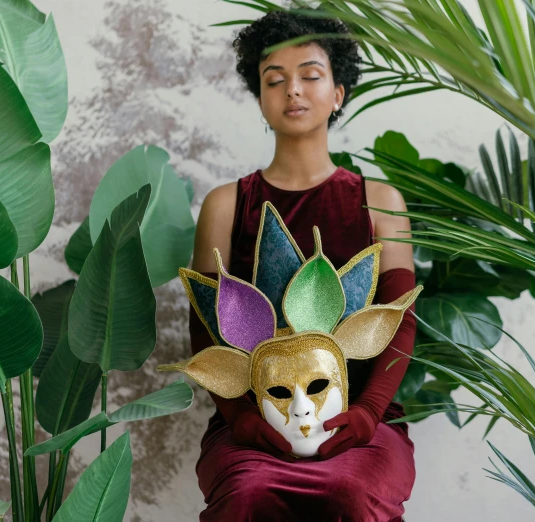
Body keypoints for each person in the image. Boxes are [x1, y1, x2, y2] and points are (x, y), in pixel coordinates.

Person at [187, 6, 418, 521]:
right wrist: (241, 419)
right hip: (252, 427)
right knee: (246, 496)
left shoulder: (380, 199)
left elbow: (401, 319)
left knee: (352, 496)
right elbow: (205, 332)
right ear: (261, 99)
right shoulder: (226, 204)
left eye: (310, 76)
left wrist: (367, 413)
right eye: (275, 80)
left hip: (367, 426)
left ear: (337, 94)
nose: (293, 90)